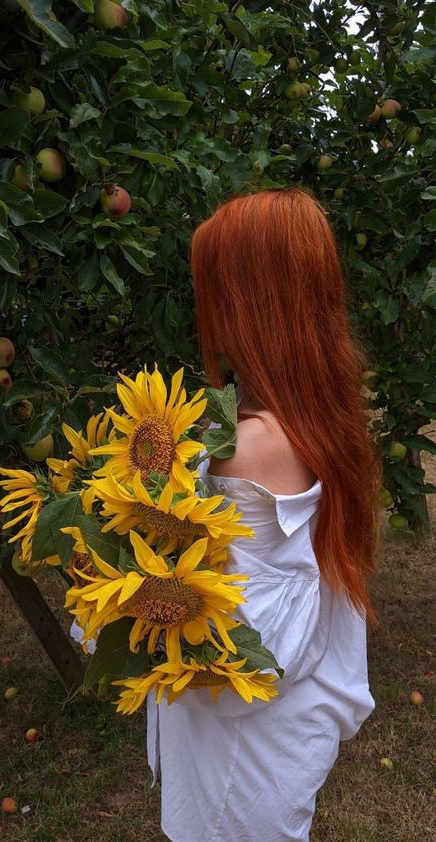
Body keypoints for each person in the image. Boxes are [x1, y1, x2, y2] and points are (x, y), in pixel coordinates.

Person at [146, 187, 384, 842]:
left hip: (242, 749)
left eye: (215, 290)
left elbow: (232, 636)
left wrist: (114, 579)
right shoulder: (317, 415)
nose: (209, 313)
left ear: (249, 302)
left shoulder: (251, 445)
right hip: (278, 734)